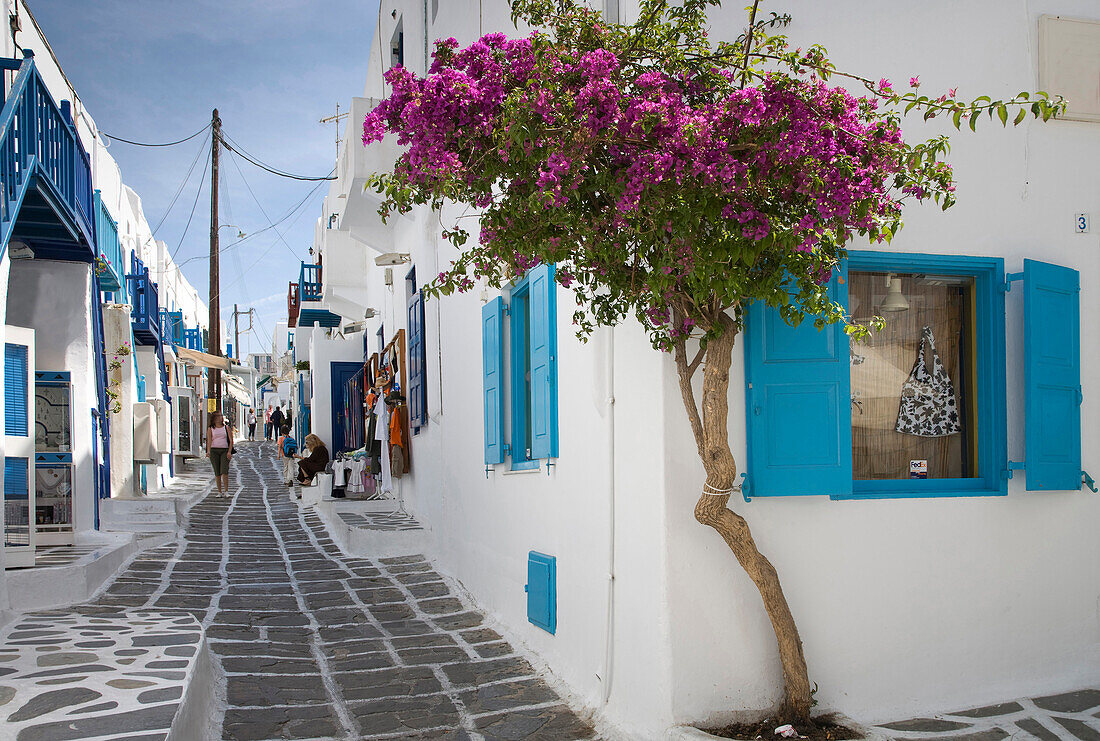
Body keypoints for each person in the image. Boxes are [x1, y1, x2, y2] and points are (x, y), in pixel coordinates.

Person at [207, 411, 234, 497]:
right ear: (214, 418)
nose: (220, 418)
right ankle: (219, 491)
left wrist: (229, 451)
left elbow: (231, 441)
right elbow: (209, 440)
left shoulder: (226, 428)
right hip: (214, 451)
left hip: (224, 450)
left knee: (224, 471)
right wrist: (208, 451)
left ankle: (226, 490)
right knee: (217, 472)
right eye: (218, 416)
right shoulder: (211, 428)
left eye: (221, 416)